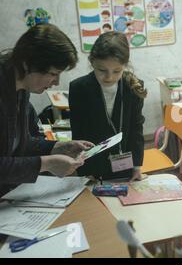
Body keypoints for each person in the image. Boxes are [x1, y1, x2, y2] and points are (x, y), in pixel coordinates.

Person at [0, 23, 93, 196]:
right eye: (53, 73)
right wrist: (46, 163)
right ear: (28, 64)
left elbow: (21, 143)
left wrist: (58, 147)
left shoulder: (21, 90)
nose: (56, 82)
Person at [69, 31, 147, 181]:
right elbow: (79, 131)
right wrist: (84, 169)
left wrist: (137, 166)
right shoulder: (79, 88)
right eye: (102, 70)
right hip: (92, 166)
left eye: (117, 71)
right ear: (92, 62)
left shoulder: (133, 87)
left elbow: (136, 129)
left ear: (125, 65)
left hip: (126, 164)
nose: (109, 77)